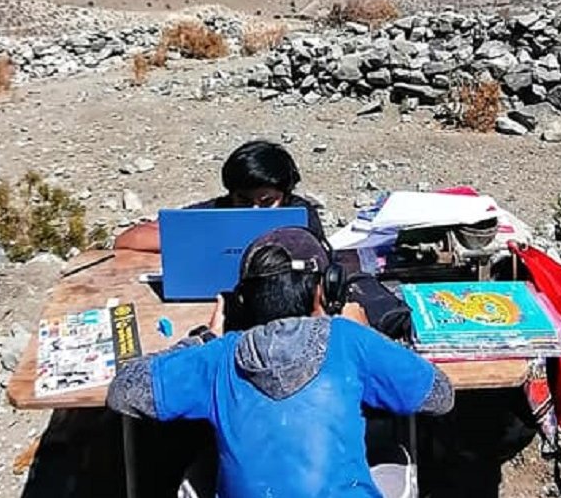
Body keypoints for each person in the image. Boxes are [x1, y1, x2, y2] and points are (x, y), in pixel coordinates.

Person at [106, 227, 455, 498]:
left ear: (242, 303)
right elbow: (439, 396)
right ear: (324, 291)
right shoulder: (350, 339)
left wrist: (203, 338)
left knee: (202, 467)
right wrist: (368, 335)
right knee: (393, 453)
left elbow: (125, 390)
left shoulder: (219, 356)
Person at [114, 139, 325, 252]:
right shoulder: (216, 211)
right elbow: (127, 239)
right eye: (244, 201)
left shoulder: (302, 214)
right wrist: (198, 239)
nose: (254, 211)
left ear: (285, 194)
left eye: (267, 202)